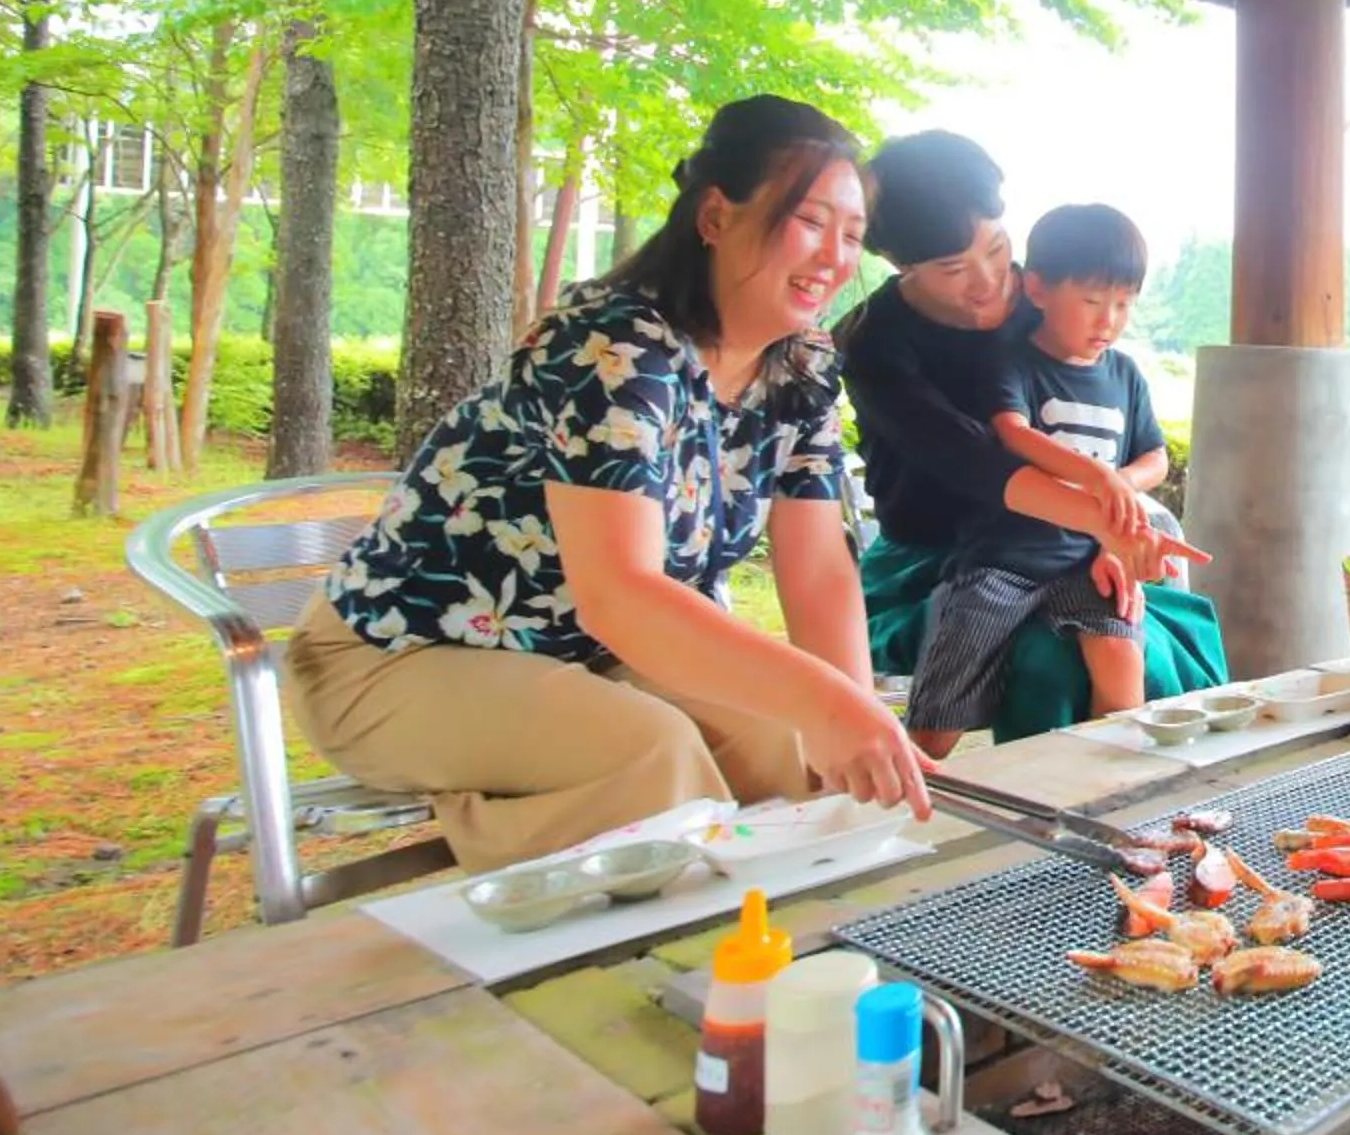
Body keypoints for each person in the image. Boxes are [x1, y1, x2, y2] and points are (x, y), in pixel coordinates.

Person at [285, 96, 932, 873]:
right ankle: (481, 889)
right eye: (809, 220)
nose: (834, 255)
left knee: (782, 745)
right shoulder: (614, 346)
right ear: (717, 217)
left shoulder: (802, 368)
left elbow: (819, 566)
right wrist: (829, 704)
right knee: (653, 759)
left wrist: (853, 721)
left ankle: (767, 952)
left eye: (852, 235)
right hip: (394, 655)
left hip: (586, 659)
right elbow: (620, 591)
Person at [837, 132, 1225, 740]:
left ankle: (1145, 803)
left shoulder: (1049, 293)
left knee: (1139, 644)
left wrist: (1107, 531)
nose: (989, 281)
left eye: (997, 248)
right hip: (937, 558)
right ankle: (1020, 817)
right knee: (1049, 663)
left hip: (1069, 540)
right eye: (953, 268)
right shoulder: (875, 343)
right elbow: (977, 461)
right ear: (900, 264)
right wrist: (1105, 520)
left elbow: (1108, 425)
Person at [906, 204, 1171, 754]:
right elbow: (1013, 433)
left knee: (1121, 657)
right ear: (1038, 289)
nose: (1109, 320)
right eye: (1093, 302)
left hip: (1087, 559)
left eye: (1124, 304)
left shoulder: (1124, 373)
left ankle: (1104, 778)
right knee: (945, 693)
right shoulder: (1012, 360)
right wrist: (1098, 476)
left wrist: (1118, 489)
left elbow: (1157, 457)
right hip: (1004, 559)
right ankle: (914, 780)